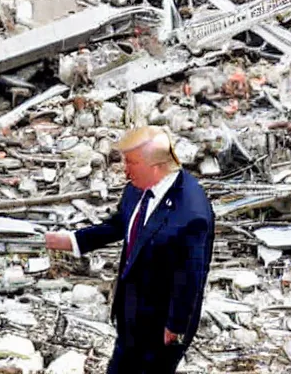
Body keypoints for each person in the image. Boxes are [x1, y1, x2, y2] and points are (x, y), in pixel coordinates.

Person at [46, 126, 215, 374]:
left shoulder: (191, 213)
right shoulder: (138, 186)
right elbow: (120, 223)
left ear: (155, 165)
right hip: (131, 311)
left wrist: (175, 326)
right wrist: (73, 241)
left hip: (163, 324)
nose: (125, 170)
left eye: (132, 163)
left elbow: (190, 277)